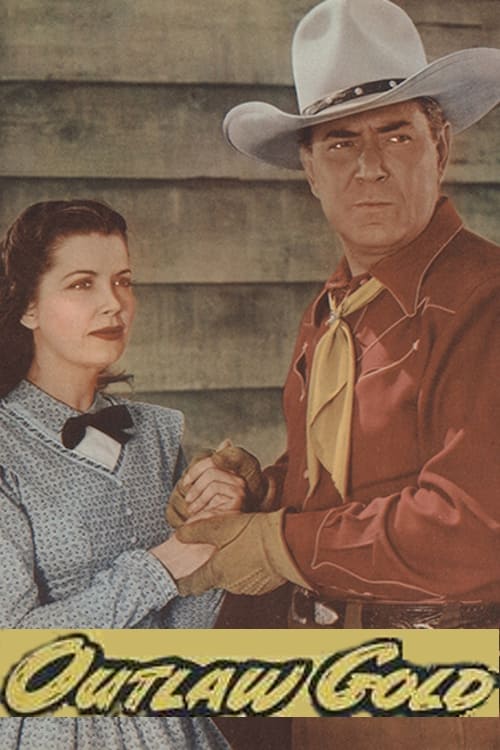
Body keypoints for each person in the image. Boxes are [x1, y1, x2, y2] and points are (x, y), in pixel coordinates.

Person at [167, 1, 500, 747]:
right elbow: (351, 480)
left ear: (441, 147)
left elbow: (472, 527)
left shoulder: (486, 301)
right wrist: (263, 490)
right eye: (341, 142)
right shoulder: (336, 305)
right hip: (324, 684)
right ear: (311, 171)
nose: (370, 166)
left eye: (397, 134)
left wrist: (274, 543)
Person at [0, 199, 233, 749]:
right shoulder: (6, 447)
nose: (114, 304)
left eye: (123, 282)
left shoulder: (156, 433)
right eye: (82, 284)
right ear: (29, 306)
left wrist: (216, 531)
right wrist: (159, 566)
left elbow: (182, 634)